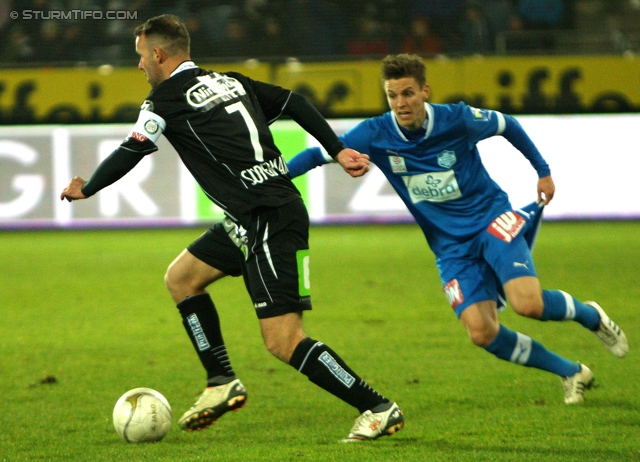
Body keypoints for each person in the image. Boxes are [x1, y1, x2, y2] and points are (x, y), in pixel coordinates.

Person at [59, 14, 404, 442]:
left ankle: (376, 406)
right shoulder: (232, 81)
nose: (139, 65)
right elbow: (295, 102)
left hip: (268, 217)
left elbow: (134, 148)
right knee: (182, 278)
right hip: (252, 215)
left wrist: (87, 187)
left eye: (140, 57)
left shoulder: (166, 99)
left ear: (158, 53)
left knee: (283, 339)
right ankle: (220, 380)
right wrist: (337, 148)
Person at [286, 53, 629, 405]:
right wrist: (274, 177)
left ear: (425, 91)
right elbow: (318, 154)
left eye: (407, 93)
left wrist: (542, 170)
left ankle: (591, 315)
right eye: (392, 95)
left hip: (492, 222)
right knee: (482, 332)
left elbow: (507, 124)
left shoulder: (458, 119)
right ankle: (571, 371)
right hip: (450, 247)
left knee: (528, 305)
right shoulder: (375, 133)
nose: (400, 103)